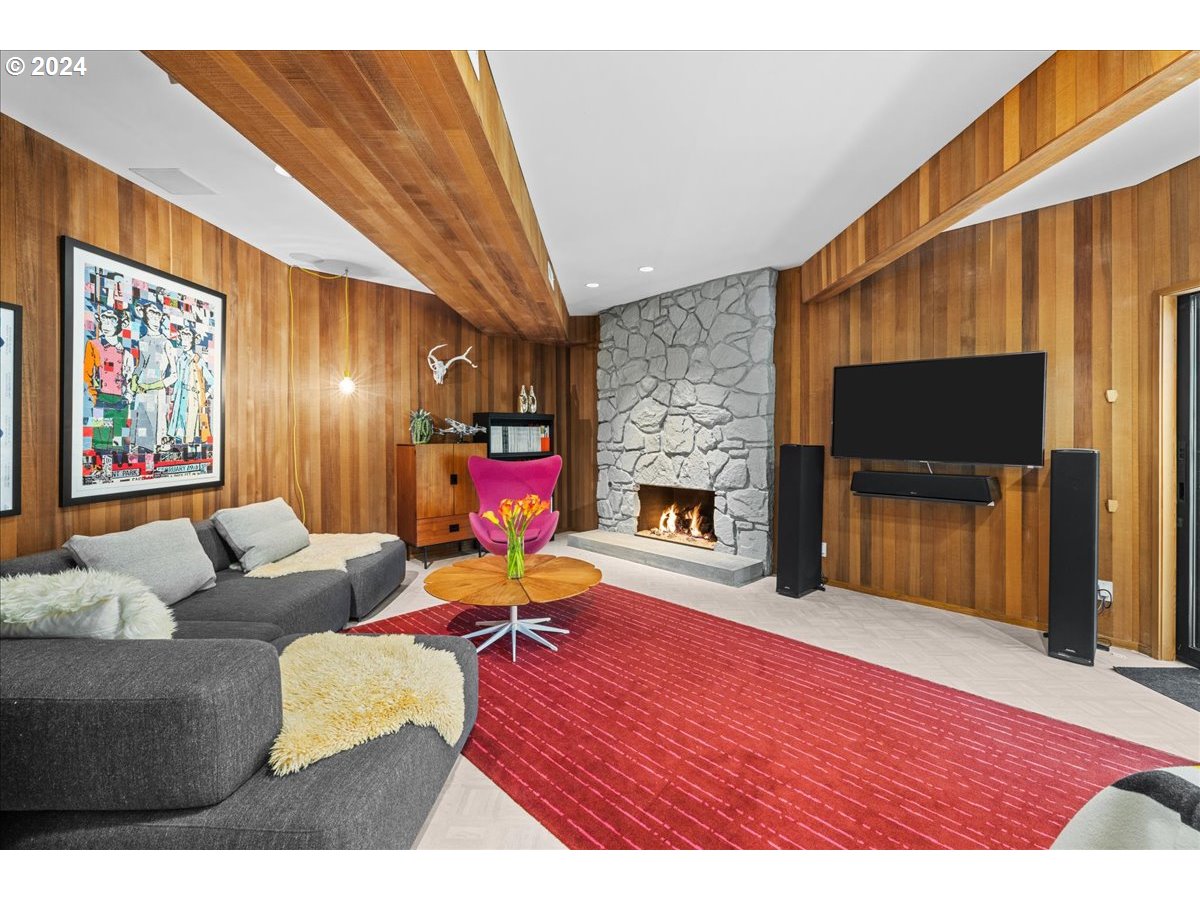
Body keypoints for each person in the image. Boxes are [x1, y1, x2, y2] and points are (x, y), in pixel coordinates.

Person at [82, 303, 134, 452]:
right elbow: (87, 375)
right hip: (101, 399)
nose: (107, 325)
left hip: (120, 403)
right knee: (100, 442)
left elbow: (129, 381)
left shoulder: (126, 354)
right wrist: (94, 397)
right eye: (104, 320)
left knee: (118, 445)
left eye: (111, 320)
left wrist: (127, 397)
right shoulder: (93, 345)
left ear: (120, 324)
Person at [129, 295, 177, 453]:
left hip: (157, 391)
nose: (155, 317)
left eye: (158, 314)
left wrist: (152, 386)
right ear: (144, 314)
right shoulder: (142, 340)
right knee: (141, 430)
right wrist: (134, 381)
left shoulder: (166, 343)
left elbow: (173, 375)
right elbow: (139, 366)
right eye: (151, 312)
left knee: (156, 428)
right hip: (142, 391)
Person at [167, 321, 213, 446]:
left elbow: (212, 381)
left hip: (192, 397)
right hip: (180, 397)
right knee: (178, 426)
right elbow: (178, 380)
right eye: (183, 337)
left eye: (188, 337)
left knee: (191, 428)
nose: (184, 340)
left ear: (192, 340)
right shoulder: (180, 359)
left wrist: (205, 395)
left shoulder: (198, 360)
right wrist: (173, 398)